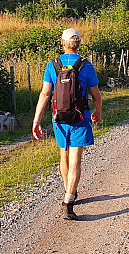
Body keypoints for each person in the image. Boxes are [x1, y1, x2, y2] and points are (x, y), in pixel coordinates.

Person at [32, 27, 102, 220]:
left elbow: (45, 93)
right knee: (76, 159)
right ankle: (69, 200)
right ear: (78, 44)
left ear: (62, 43)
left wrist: (36, 120)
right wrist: (98, 112)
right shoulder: (86, 65)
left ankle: (67, 190)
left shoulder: (52, 65)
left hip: (59, 118)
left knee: (64, 154)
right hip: (80, 117)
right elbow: (96, 95)